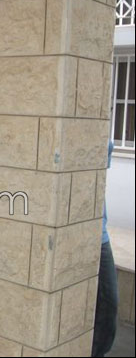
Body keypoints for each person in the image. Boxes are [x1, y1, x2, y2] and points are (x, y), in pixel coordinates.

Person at [92, 140, 118, 357]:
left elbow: (99, 182)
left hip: (98, 236)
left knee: (109, 302)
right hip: (69, 236)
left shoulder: (103, 142)